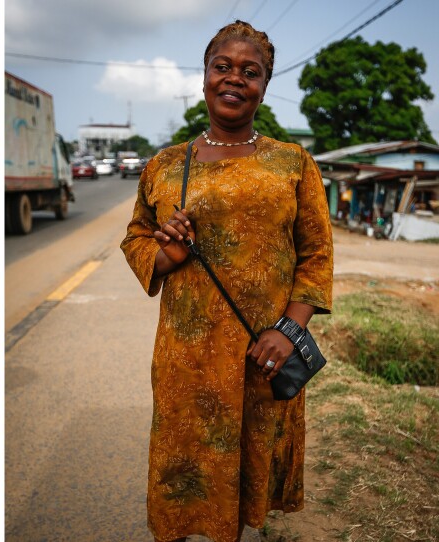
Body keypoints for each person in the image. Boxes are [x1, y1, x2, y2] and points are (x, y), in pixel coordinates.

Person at [120, 21, 333, 542]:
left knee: (249, 469)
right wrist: (167, 255)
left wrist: (289, 330)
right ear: (205, 77)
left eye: (250, 71)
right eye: (223, 67)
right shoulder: (167, 165)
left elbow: (317, 256)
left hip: (265, 354)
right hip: (186, 360)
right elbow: (135, 239)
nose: (235, 78)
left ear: (263, 85)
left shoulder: (292, 162)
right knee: (188, 470)